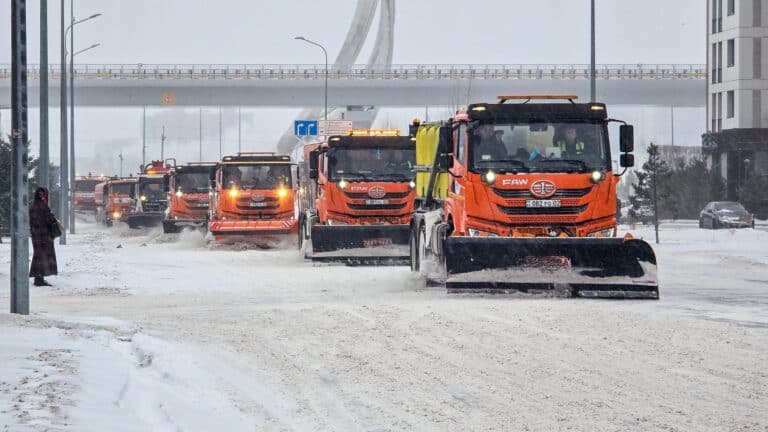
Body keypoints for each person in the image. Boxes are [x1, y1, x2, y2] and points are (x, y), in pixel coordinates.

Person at [29, 187, 58, 287]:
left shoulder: (33, 206)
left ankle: (38, 278)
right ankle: (39, 279)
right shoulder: (43, 206)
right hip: (44, 236)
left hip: (35, 235)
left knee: (38, 256)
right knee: (43, 257)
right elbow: (49, 220)